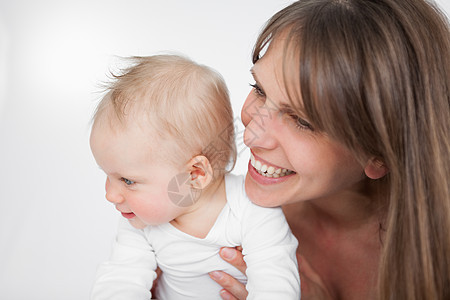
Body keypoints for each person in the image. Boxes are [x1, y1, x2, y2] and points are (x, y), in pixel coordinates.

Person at [209, 0, 450, 299]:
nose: (252, 137)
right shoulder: (213, 216)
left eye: (301, 120)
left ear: (379, 153)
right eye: (260, 90)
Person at [89, 55, 300, 299]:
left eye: (127, 181)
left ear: (195, 174)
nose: (110, 194)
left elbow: (275, 286)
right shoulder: (139, 221)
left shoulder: (253, 211)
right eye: (108, 176)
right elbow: (119, 280)